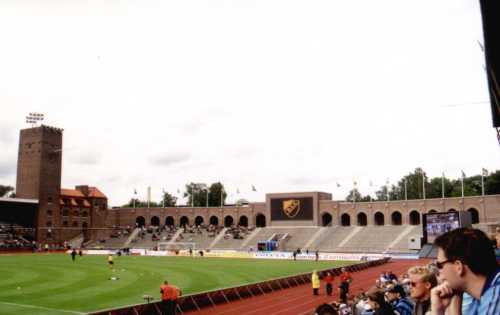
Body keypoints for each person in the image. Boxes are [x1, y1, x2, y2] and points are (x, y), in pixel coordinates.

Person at [430, 228, 500, 315]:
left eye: (440, 265)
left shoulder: (495, 296)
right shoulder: (480, 297)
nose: (439, 273)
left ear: (458, 267)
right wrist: (440, 311)